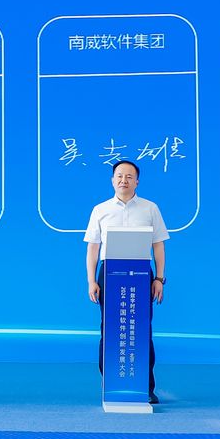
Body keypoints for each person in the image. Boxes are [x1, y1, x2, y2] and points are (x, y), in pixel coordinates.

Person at [84, 160, 167, 403]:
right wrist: (91, 281)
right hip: (109, 274)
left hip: (142, 275)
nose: (124, 180)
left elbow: (158, 245)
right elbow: (92, 248)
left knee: (142, 330)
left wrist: (159, 278)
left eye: (129, 176)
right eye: (119, 176)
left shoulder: (150, 208)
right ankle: (110, 384)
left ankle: (146, 387)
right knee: (110, 329)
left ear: (137, 181)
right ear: (112, 180)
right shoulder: (100, 210)